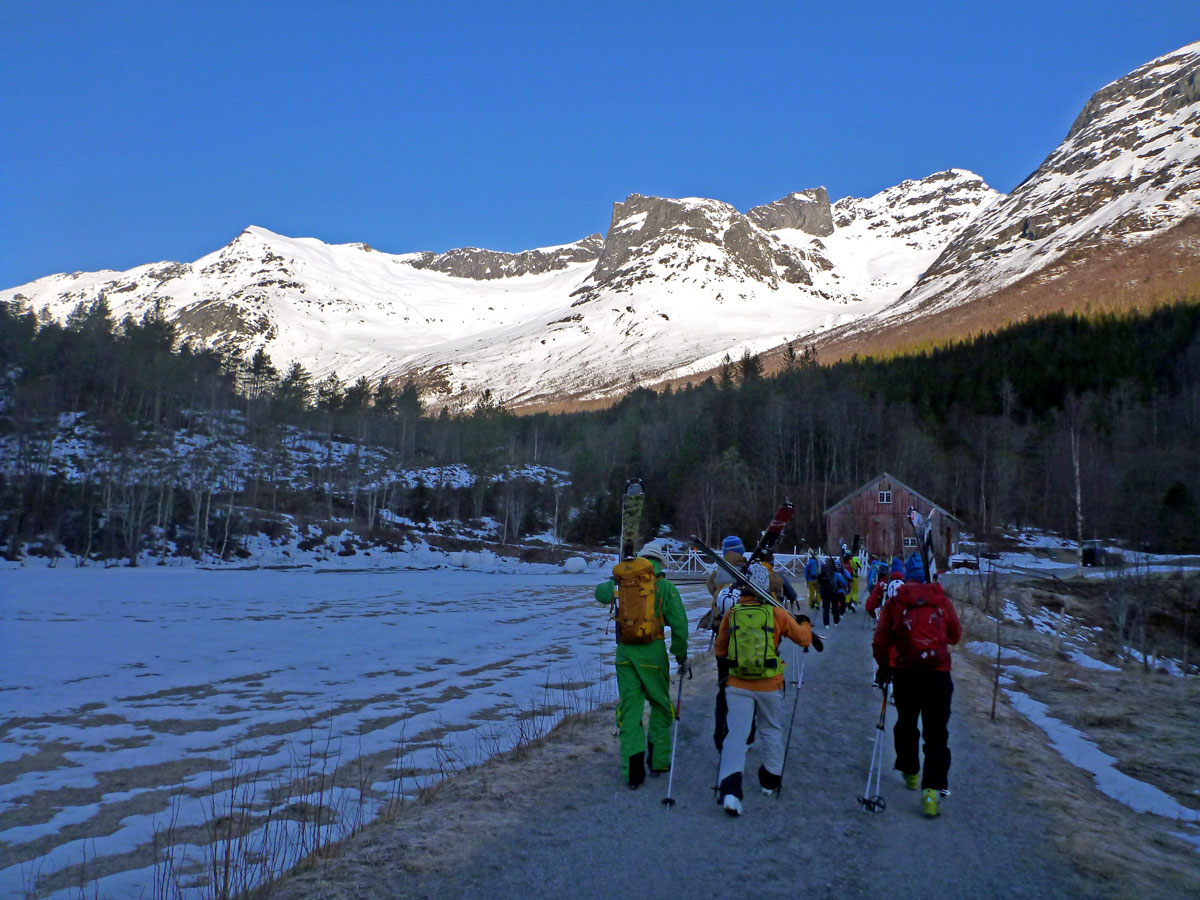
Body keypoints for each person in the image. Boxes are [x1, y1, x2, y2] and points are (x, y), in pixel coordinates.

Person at [714, 563, 817, 816]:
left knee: (736, 736)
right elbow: (804, 638)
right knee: (770, 729)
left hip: (737, 684)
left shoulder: (733, 613)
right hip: (770, 685)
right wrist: (805, 622)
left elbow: (720, 649)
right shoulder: (776, 613)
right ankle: (770, 782)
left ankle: (730, 793)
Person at [595, 541, 689, 789]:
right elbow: (680, 626)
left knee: (630, 710)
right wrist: (681, 656)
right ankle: (658, 762)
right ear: (659, 563)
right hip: (653, 654)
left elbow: (599, 594)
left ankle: (633, 773)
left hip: (625, 653)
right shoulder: (665, 587)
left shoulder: (622, 583)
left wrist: (618, 579)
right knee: (660, 706)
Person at [871, 570, 962, 817]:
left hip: (906, 675)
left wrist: (884, 667)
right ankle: (932, 792)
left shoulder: (895, 603)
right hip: (938, 676)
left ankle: (910, 771)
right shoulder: (941, 601)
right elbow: (955, 636)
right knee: (937, 734)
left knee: (906, 723)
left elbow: (880, 641)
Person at [817, 554, 849, 627]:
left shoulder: (823, 573)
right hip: (834, 591)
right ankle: (836, 622)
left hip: (825, 592)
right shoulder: (835, 574)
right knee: (835, 607)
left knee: (826, 608)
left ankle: (826, 624)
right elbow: (843, 582)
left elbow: (819, 582)